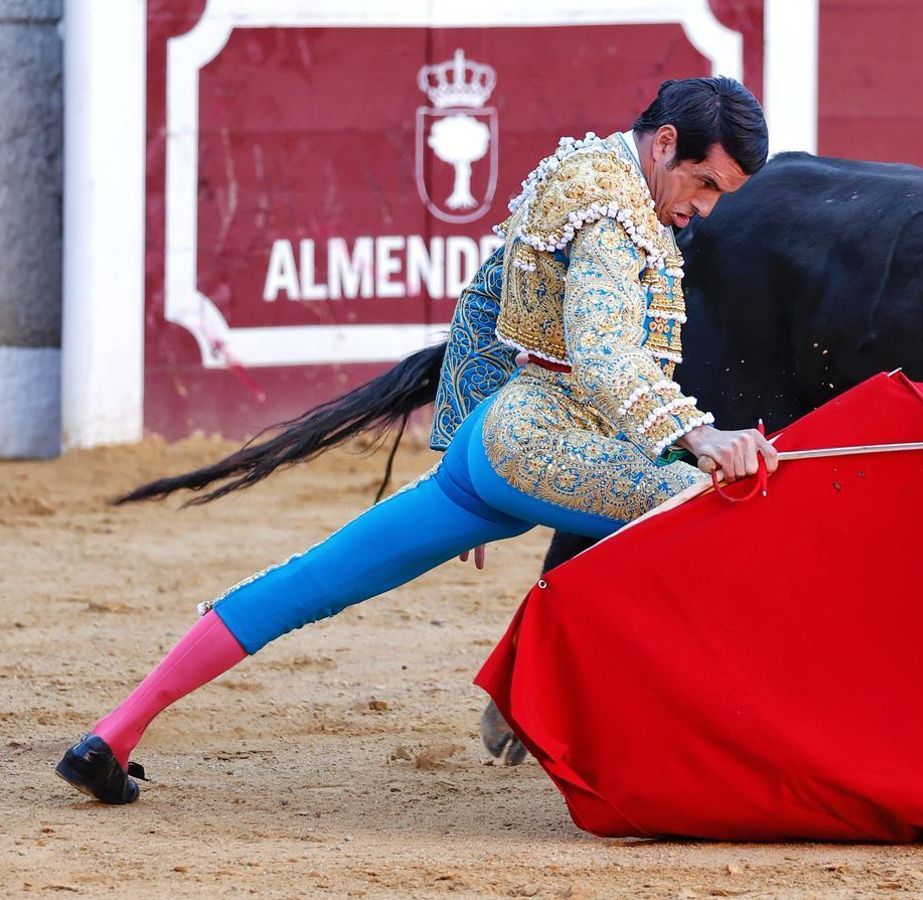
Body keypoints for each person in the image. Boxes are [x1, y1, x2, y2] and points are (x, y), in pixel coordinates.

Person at [56, 76, 779, 804]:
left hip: (499, 444)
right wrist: (695, 435)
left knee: (312, 580)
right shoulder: (618, 214)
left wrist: (468, 445)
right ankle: (694, 756)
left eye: (722, 193)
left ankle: (112, 734)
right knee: (705, 508)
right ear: (664, 144)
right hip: (537, 439)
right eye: (704, 181)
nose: (705, 208)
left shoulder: (584, 172)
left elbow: (484, 301)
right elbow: (602, 353)